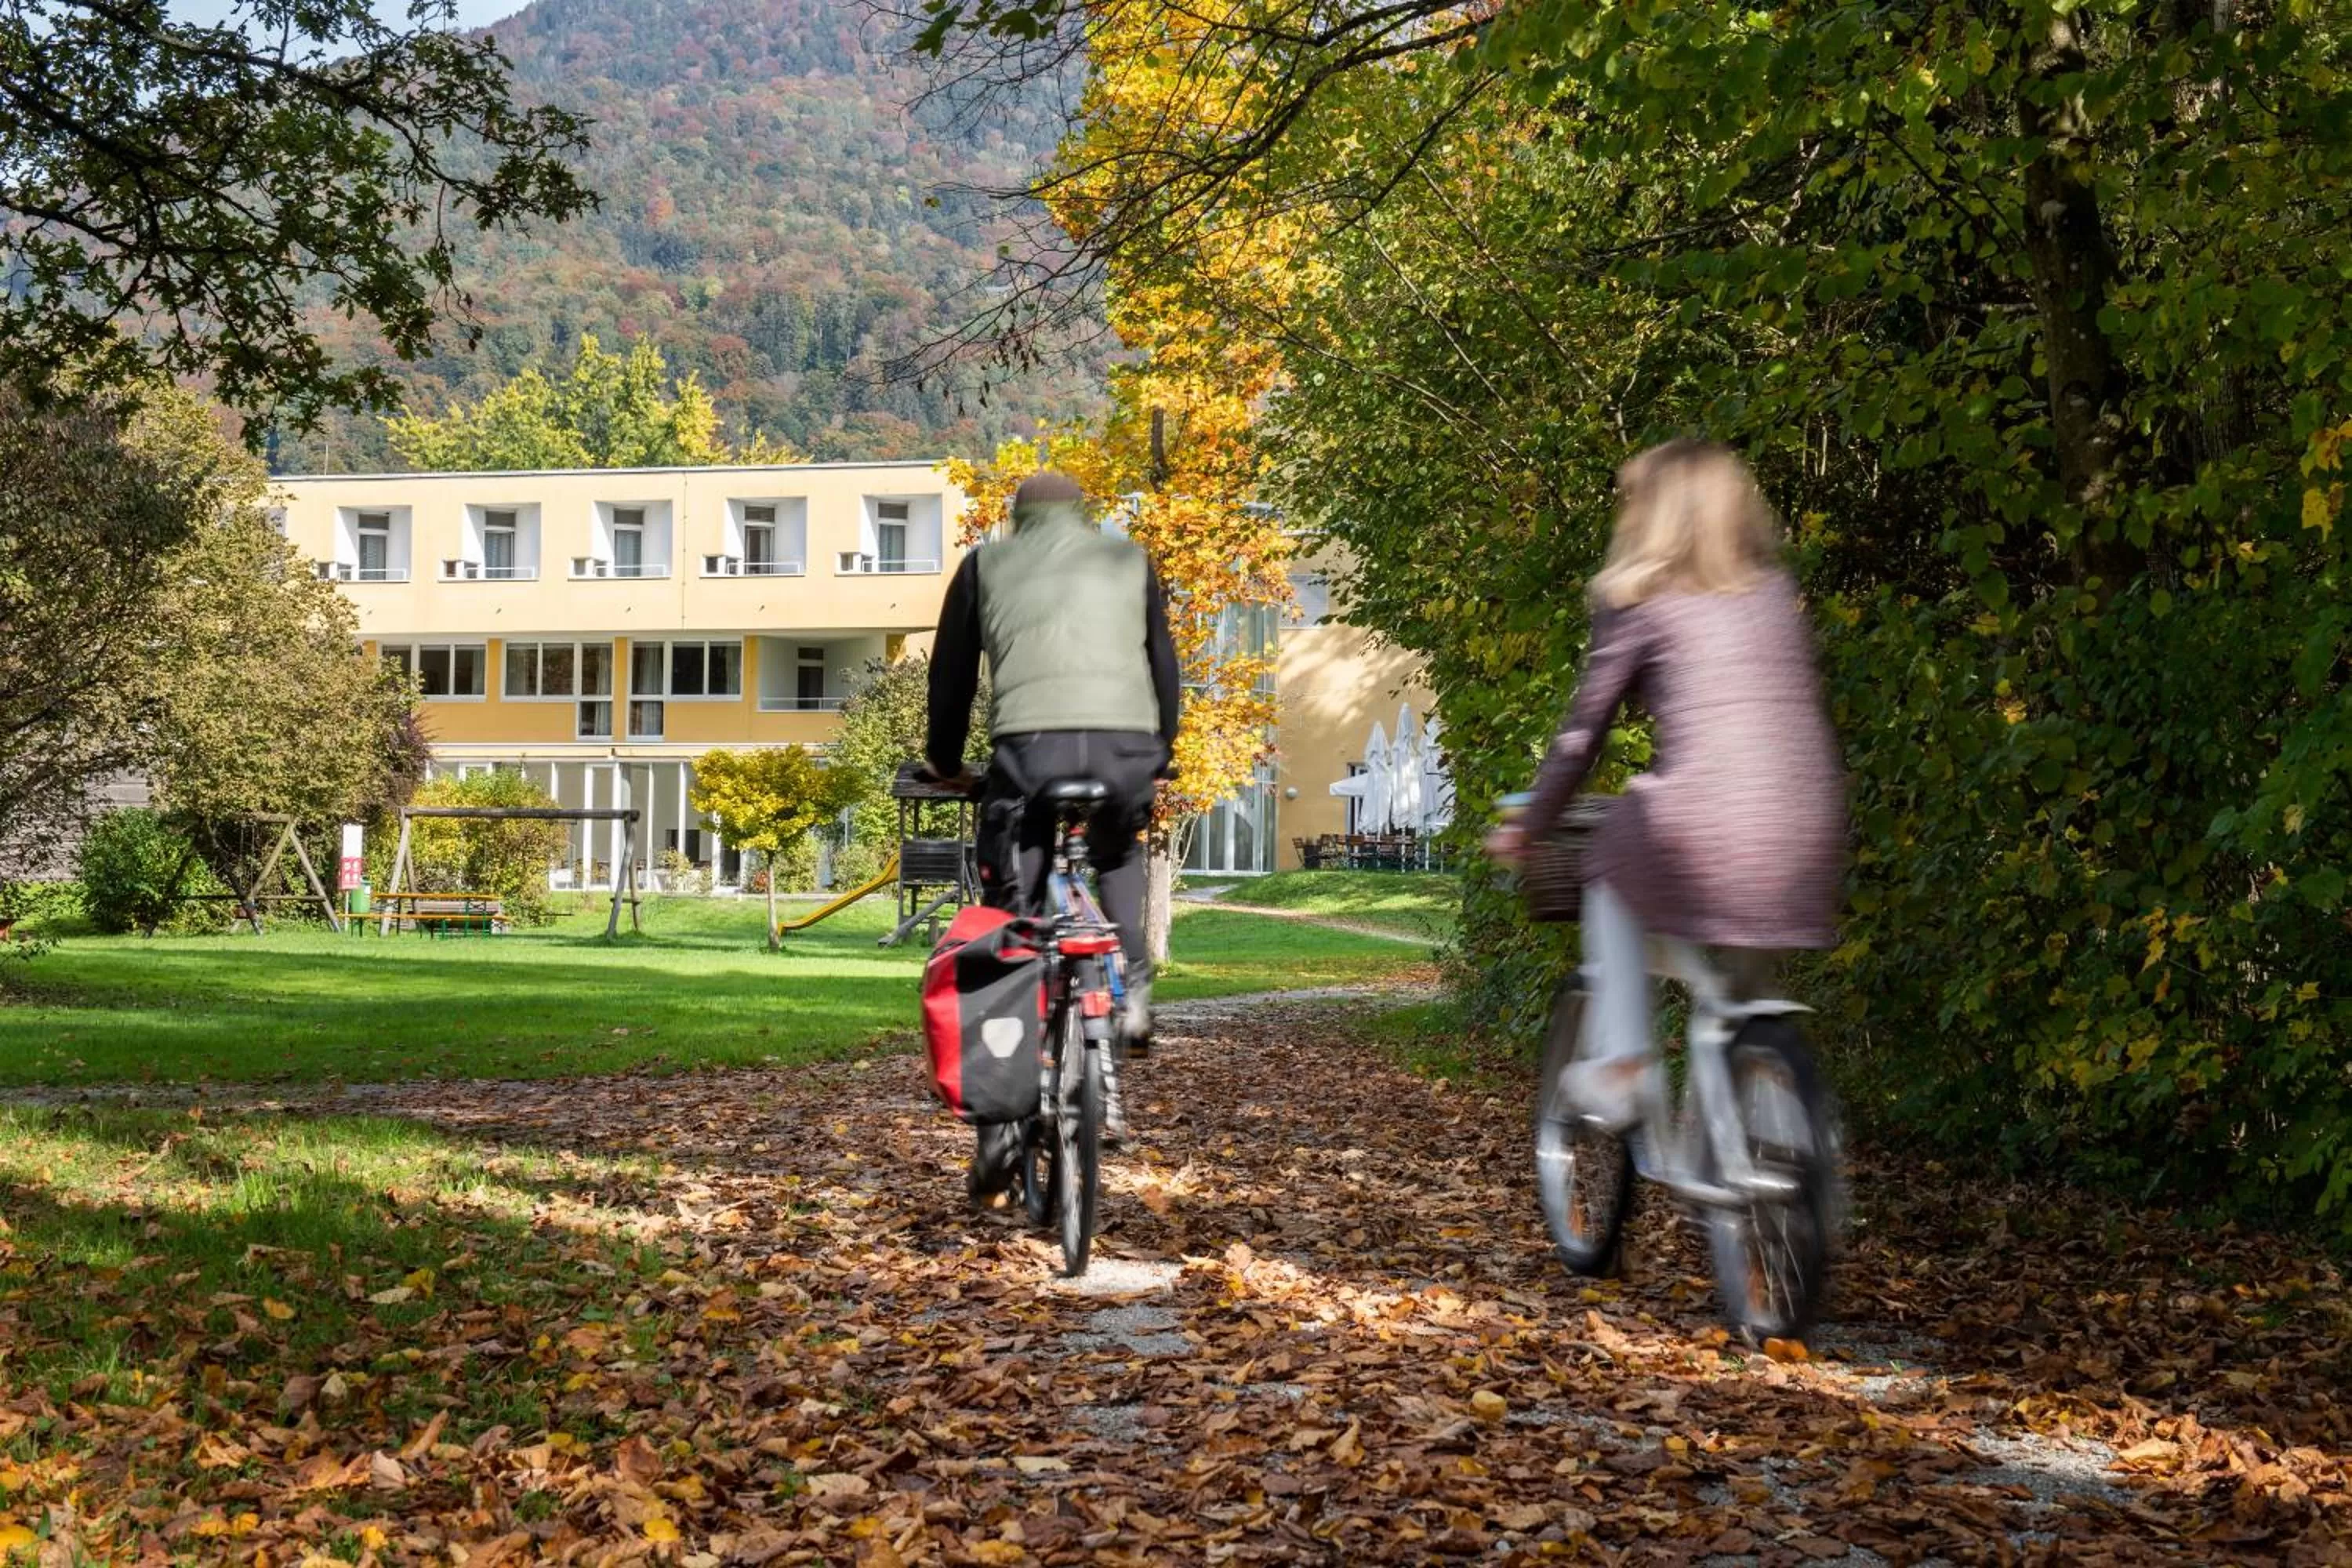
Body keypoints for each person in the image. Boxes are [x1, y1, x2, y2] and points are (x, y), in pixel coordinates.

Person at [1487, 439, 1846, 1129]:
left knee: (1606, 867)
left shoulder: (1639, 598)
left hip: (1699, 822)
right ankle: (1768, 1117)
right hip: (1805, 822)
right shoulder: (1775, 594)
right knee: (1737, 993)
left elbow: (1581, 737)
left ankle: (1623, 1064)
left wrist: (1528, 827)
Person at [924, 470, 1181, 1197]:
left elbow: (951, 677)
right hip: (1125, 750)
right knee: (1118, 847)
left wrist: (948, 761)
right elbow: (1162, 657)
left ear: (1018, 517)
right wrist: (1162, 747)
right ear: (1084, 512)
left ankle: (1001, 1122)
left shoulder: (985, 564)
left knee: (1013, 910)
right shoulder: (1126, 559)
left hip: (1027, 754)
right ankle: (1131, 985)